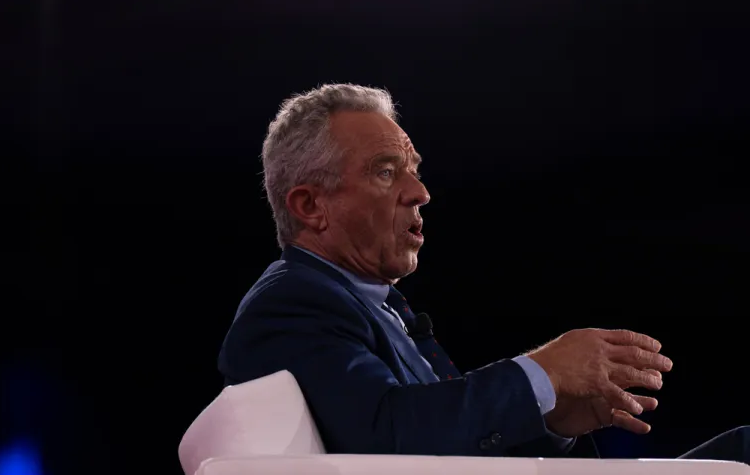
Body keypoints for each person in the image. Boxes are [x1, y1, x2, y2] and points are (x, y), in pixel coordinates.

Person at [218, 83, 749, 462]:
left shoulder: (371, 303)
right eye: (386, 171)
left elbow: (447, 446)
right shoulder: (292, 303)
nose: (420, 193)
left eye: (414, 172)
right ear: (311, 206)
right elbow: (387, 439)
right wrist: (540, 374)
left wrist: (553, 418)